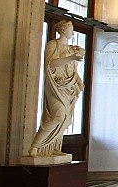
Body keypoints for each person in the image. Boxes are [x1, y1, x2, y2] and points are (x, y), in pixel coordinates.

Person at [28, 20, 85, 158]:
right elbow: (51, 64)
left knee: (65, 119)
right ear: (63, 30)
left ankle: (53, 147)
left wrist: (77, 79)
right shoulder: (53, 45)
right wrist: (71, 57)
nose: (72, 32)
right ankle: (35, 147)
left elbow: (72, 69)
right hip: (56, 87)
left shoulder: (71, 48)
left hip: (69, 87)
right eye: (70, 29)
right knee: (57, 116)